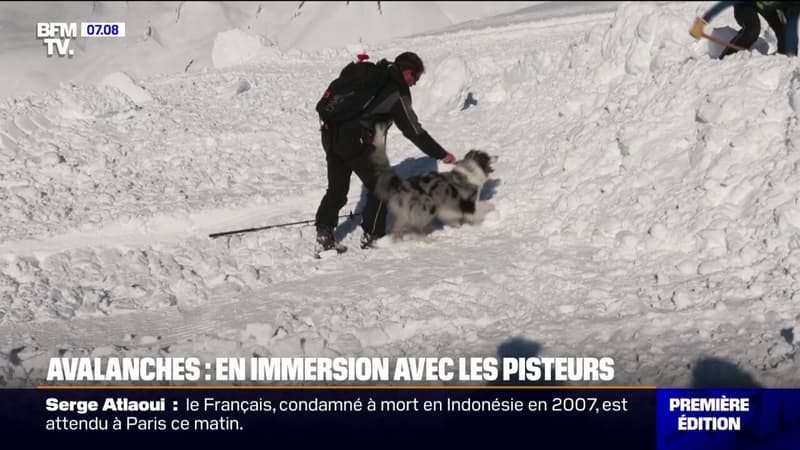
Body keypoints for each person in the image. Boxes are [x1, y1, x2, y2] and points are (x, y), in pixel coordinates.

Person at [314, 51, 456, 252]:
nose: (415, 83)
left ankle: (324, 231)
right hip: (354, 140)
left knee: (336, 189)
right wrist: (441, 154)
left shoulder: (375, 74)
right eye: (415, 77)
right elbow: (413, 131)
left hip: (330, 133)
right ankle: (374, 235)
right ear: (407, 72)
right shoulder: (395, 91)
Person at [690, 1, 800, 58]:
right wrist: (702, 21)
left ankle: (784, 61)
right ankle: (727, 58)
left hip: (766, 6)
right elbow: (722, 5)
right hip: (744, 5)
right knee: (753, 28)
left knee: (784, 30)